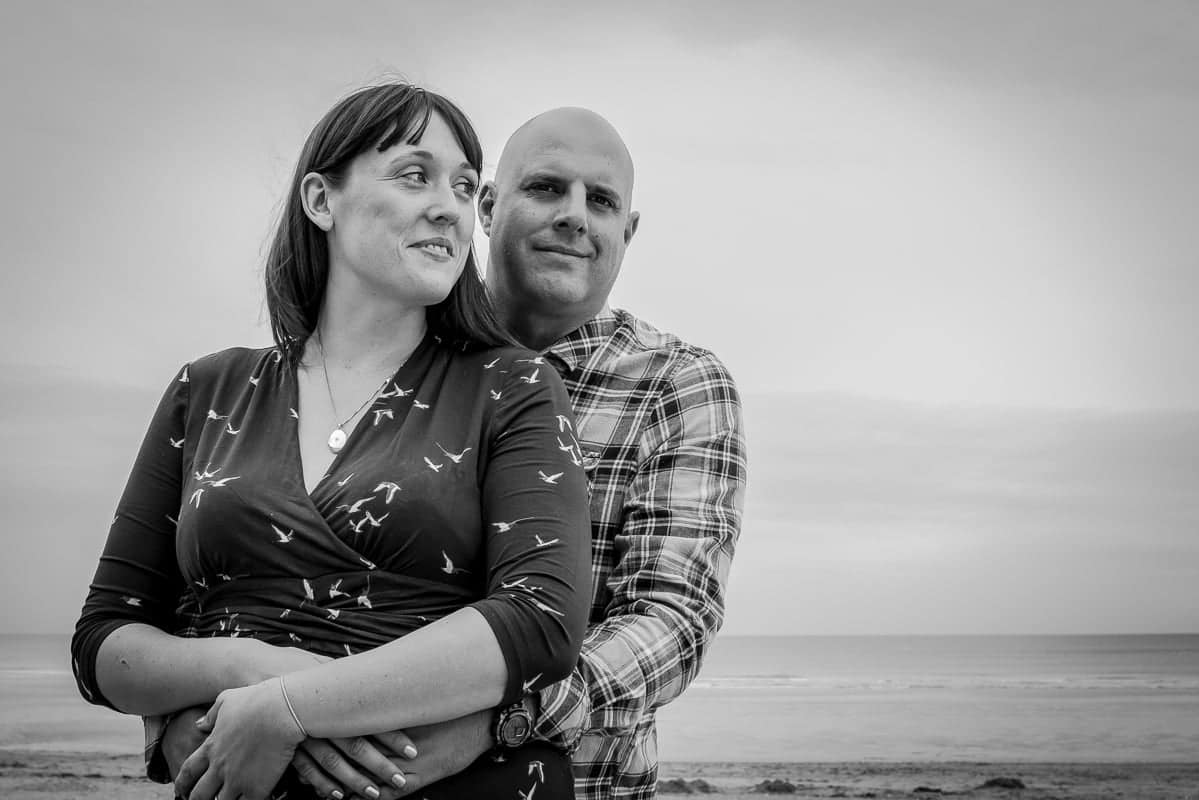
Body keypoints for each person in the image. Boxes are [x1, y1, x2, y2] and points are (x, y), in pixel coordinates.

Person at [70, 83, 592, 800]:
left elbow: (542, 619)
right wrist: (248, 673)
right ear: (322, 199)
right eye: (415, 175)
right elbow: (104, 640)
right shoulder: (208, 390)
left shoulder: (512, 386)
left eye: (465, 186)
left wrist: (290, 710)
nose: (449, 205)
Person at [267, 107, 748, 799]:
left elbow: (673, 616)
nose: (575, 216)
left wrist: (502, 718)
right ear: (487, 206)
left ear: (628, 232)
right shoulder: (392, 358)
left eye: (602, 201)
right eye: (547, 188)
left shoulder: (677, 383)